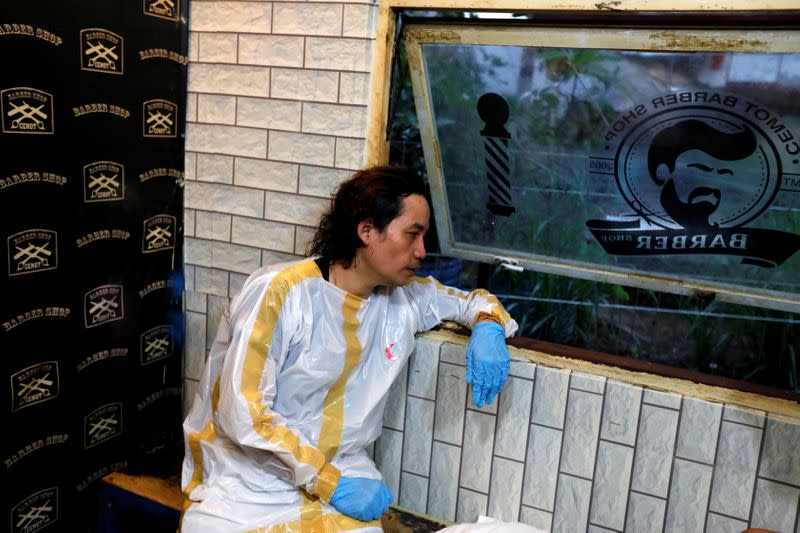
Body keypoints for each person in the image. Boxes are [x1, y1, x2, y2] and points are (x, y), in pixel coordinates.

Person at [180, 166, 518, 532]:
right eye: (412, 235)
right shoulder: (281, 293)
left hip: (345, 475)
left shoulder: (405, 299)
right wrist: (327, 481)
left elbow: (474, 302)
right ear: (367, 231)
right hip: (248, 487)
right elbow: (243, 412)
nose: (422, 251)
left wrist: (488, 327)